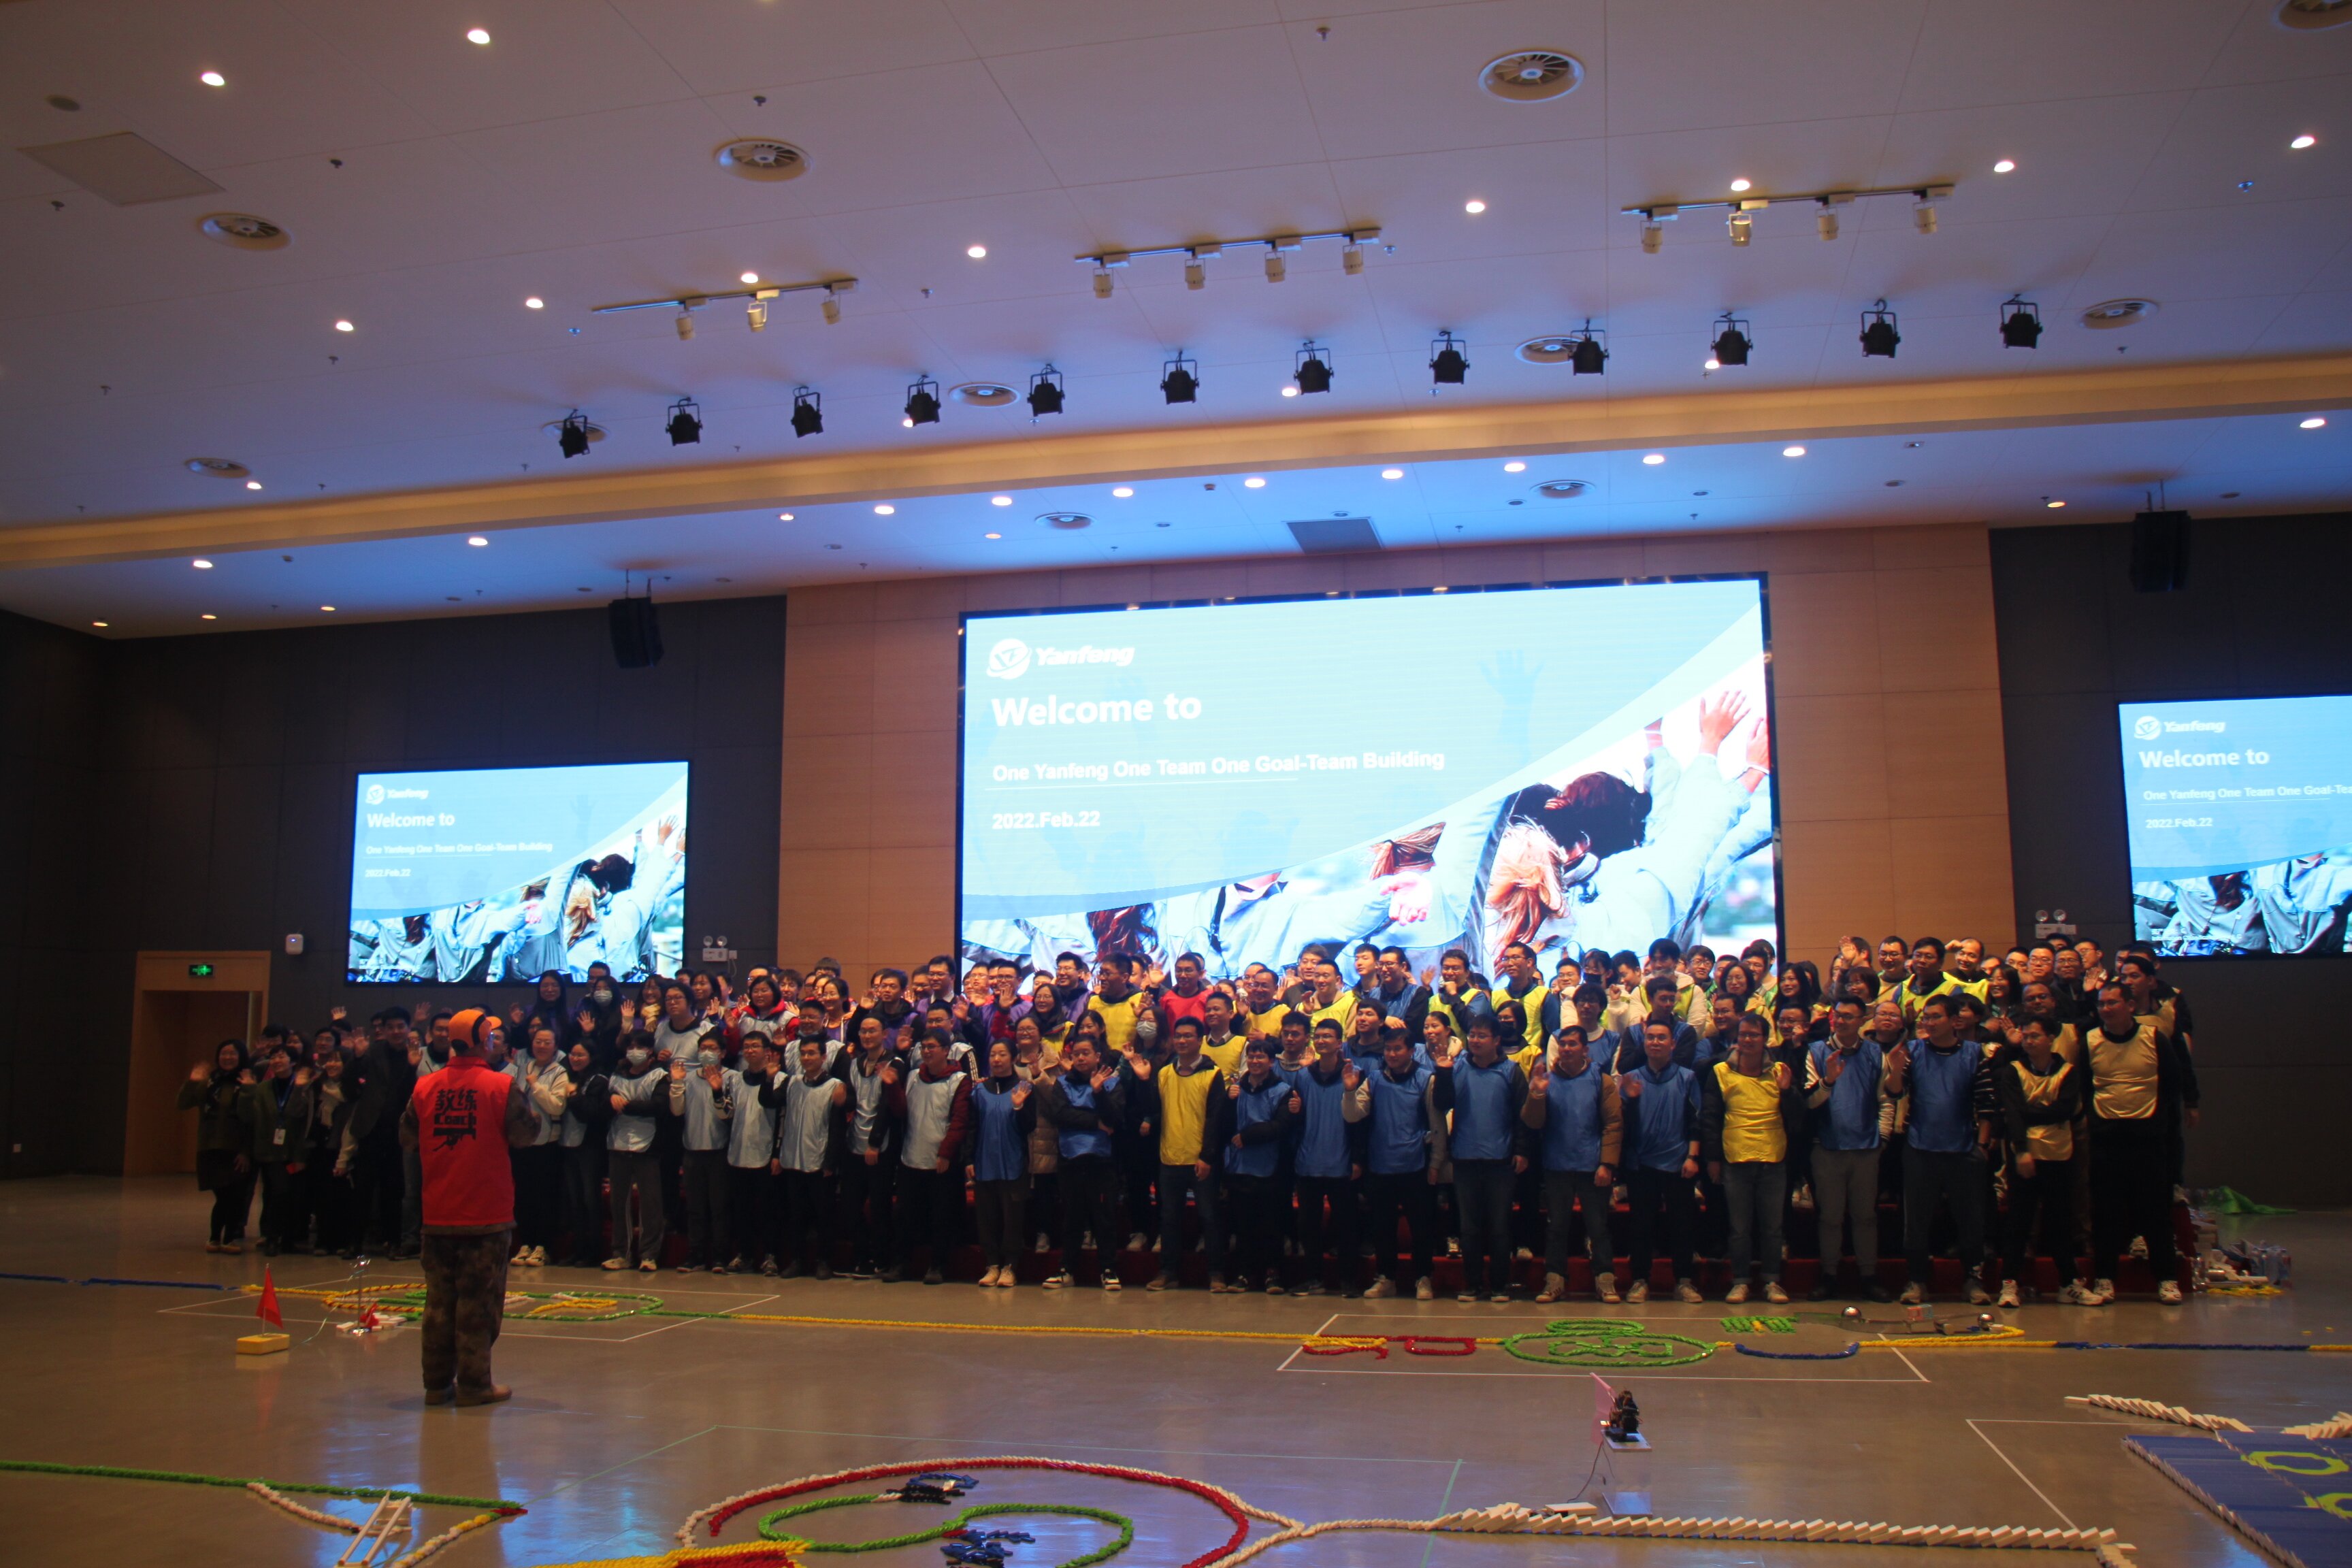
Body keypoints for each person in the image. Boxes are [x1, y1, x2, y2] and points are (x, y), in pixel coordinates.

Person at [398, 1008, 537, 1407]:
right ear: (484, 1041)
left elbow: (407, 1137)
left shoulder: (425, 1086)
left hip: (438, 1211)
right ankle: (475, 1385)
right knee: (479, 1303)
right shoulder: (501, 1085)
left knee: (439, 1302)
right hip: (485, 1214)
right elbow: (525, 1135)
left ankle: (435, 1384)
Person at [2084, 982, 2197, 1305]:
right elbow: (2083, 1086)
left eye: (2112, 1003)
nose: (2106, 1009)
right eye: (2101, 1004)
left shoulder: (2154, 1038)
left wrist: (2158, 1123)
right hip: (2106, 1140)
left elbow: (2172, 1083)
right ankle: (2105, 1279)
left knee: (2155, 1213)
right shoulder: (2090, 1040)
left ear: (2130, 1006)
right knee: (2106, 1214)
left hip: (2147, 1139)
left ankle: (2167, 1280)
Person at [1885, 996, 1993, 1306]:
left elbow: (1987, 1103)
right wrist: (1894, 1070)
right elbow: (1894, 1091)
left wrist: (1982, 1145)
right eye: (1926, 1017)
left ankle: (1973, 1280)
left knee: (1970, 1219)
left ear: (1954, 1020)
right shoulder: (1914, 1051)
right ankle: (1917, 1280)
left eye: (1935, 1017)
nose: (1928, 1023)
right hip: (1920, 1147)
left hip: (1963, 1148)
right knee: (1916, 1221)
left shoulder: (1974, 1053)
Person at [1702, 1013, 1802, 1305]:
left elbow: (1798, 1118)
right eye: (1743, 1034)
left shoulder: (1780, 1070)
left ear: (1765, 1039)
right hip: (1735, 1158)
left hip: (1773, 1158)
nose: (1747, 1040)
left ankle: (1772, 1281)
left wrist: (1787, 1092)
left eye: (1754, 1035)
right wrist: (1713, 1159)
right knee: (1739, 1228)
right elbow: (1710, 1117)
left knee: (1772, 1227)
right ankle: (1741, 1281)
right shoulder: (1720, 1071)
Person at [1521, 1023, 1622, 1305]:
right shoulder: (1547, 1080)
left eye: (1572, 1044)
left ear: (1585, 1049)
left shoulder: (1601, 1080)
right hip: (1557, 1166)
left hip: (1593, 1167)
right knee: (1556, 1227)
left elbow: (1613, 1124)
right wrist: (1536, 1095)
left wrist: (1607, 1164)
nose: (1566, 1049)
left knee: (1598, 1227)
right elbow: (1532, 1123)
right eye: (1563, 1044)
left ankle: (1605, 1280)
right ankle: (1554, 1280)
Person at [1995, 1016, 2091, 1307]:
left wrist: (2030, 1111)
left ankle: (2068, 1284)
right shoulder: (2013, 1071)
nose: (2029, 1041)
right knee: (2019, 1222)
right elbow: (2013, 1114)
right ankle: (2009, 1284)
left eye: (2035, 1036)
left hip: (2059, 1155)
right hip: (2024, 1156)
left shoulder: (2069, 1072)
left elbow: (2064, 1110)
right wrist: (2022, 1150)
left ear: (2050, 1038)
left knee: (2060, 1221)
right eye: (2025, 1036)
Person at [1435, 1010, 1529, 1303]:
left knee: (1499, 1227)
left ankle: (1500, 1285)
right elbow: (1442, 1104)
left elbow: (1523, 1116)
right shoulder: (1457, 1067)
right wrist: (1443, 1073)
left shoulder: (1511, 1071)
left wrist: (1521, 1151)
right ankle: (1472, 1284)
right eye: (1472, 1035)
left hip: (1500, 1162)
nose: (1475, 1040)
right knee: (1469, 1228)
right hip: (1465, 1160)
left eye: (1482, 1036)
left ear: (1496, 1040)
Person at [1805, 997, 1891, 1301]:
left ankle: (1869, 1276)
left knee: (1865, 1216)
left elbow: (1886, 1100)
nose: (1841, 1021)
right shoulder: (1817, 1051)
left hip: (1867, 1148)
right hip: (1828, 1148)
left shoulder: (1875, 1053)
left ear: (1862, 1020)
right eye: (1837, 1016)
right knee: (1830, 1217)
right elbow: (1809, 1102)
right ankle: (1829, 1276)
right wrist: (1828, 1080)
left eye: (1848, 1017)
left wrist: (1883, 1139)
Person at [1139, 1015, 1231, 1292]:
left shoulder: (1212, 1074)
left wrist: (1208, 1157)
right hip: (1169, 1157)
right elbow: (1155, 1110)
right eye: (1178, 1036)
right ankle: (1168, 1272)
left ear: (1200, 1040)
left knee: (1209, 1217)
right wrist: (1144, 1082)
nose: (1182, 1040)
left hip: (1201, 1160)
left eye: (1188, 1036)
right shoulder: (1164, 1073)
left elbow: (1216, 1119)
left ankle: (1216, 1273)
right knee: (1169, 1219)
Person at [1617, 1019, 1703, 1304]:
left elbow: (1696, 1122)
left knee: (1682, 1226)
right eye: (1650, 1037)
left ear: (1673, 1044)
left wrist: (1692, 1157)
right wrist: (1630, 1101)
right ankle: (1640, 1281)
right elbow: (1621, 1128)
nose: (1655, 1042)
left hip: (1679, 1163)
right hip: (1641, 1165)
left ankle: (1684, 1281)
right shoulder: (1631, 1078)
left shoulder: (1687, 1078)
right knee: (1640, 1226)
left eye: (1661, 1037)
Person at [1355, 1024, 1442, 1301]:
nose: (1392, 1054)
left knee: (1421, 1227)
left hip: (1416, 1166)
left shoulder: (1426, 1079)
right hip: (1381, 1166)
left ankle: (1423, 1277)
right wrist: (1348, 1092)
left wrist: (1436, 1163)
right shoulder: (1374, 1079)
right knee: (1383, 1228)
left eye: (1397, 1049)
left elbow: (1437, 1124)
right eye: (1388, 1049)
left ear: (1411, 1051)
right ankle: (1386, 1278)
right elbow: (1353, 1115)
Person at [1039, 1034, 1128, 1291]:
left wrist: (1098, 1093)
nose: (1080, 1058)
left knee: (1104, 1218)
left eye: (1086, 1053)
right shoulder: (1062, 1083)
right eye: (1076, 1053)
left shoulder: (1111, 1083)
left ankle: (1108, 1269)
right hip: (1071, 1160)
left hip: (1101, 1161)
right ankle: (1066, 1269)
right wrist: (1094, 1122)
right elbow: (1061, 1115)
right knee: (1072, 1218)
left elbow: (1114, 1119)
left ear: (1097, 1056)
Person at [1285, 1017, 1365, 1296]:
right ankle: (1313, 1279)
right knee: (1309, 1227)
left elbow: (1361, 1121)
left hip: (1342, 1164)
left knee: (1347, 1227)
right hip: (1309, 1163)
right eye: (1318, 1037)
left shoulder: (1354, 1074)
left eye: (1328, 1036)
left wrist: (1358, 1159)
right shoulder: (1303, 1076)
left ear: (1339, 1042)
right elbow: (1298, 1120)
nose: (1321, 1041)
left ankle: (1348, 1281)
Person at [892, 1028, 973, 1284]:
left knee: (942, 1217)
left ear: (946, 1051)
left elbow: (960, 1121)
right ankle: (901, 1264)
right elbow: (901, 1110)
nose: (926, 1052)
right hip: (911, 1156)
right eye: (923, 1047)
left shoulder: (959, 1080)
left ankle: (938, 1265)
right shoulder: (913, 1076)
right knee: (905, 1216)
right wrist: (891, 1087)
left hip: (942, 1161)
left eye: (932, 1047)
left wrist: (946, 1152)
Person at [1222, 1039, 1301, 1293]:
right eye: (1252, 1056)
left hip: (1271, 1170)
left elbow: (1281, 1126)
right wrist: (1228, 1101)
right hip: (1240, 1168)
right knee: (1242, 1225)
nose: (1255, 1061)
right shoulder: (1236, 1090)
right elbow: (1223, 1124)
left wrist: (1249, 1136)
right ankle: (1244, 1273)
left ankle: (1272, 1274)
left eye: (1261, 1057)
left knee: (1271, 1225)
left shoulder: (1283, 1091)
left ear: (1271, 1062)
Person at [772, 1032, 848, 1279]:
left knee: (823, 1216)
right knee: (796, 1216)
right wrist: (769, 1077)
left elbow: (837, 1128)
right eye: (803, 1053)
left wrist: (831, 1162)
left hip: (820, 1161)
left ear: (823, 1057)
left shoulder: (835, 1086)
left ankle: (824, 1261)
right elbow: (769, 1102)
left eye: (812, 1053)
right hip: (793, 1159)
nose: (806, 1058)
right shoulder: (792, 1082)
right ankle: (796, 1260)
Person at [180, 1041, 264, 1253]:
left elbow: (250, 1118)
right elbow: (182, 1103)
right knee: (223, 1195)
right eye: (224, 1053)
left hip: (237, 1149)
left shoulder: (248, 1081)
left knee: (235, 1196)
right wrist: (192, 1081)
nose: (228, 1058)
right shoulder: (209, 1082)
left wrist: (246, 1152)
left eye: (232, 1054)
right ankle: (216, 1237)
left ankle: (228, 1238)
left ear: (241, 1056)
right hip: (210, 1148)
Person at [969, 1041, 1037, 1288]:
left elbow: (1029, 1126)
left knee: (1012, 1218)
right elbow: (972, 1127)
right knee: (987, 1217)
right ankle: (992, 1264)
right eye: (993, 1054)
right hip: (984, 1163)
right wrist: (968, 1159)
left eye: (1002, 1054)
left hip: (1013, 1163)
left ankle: (1010, 1266)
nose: (996, 1059)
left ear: (1013, 1058)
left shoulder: (1025, 1088)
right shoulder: (979, 1091)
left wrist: (1019, 1106)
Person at [603, 1029, 668, 1271]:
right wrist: (610, 1101)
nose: (634, 1052)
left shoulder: (660, 1076)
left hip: (648, 1146)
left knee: (650, 1203)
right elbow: (603, 1104)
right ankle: (621, 1253)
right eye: (630, 1047)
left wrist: (627, 1105)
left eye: (639, 1047)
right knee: (618, 1202)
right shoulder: (616, 1076)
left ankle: (649, 1255)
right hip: (618, 1143)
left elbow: (659, 1106)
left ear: (650, 1051)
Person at [670, 1032, 734, 1273]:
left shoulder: (733, 1077)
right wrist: (677, 1083)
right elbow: (677, 1111)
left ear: (723, 1053)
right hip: (692, 1150)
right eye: (703, 1048)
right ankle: (695, 1255)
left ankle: (720, 1256)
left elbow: (728, 1115)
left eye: (712, 1048)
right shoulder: (687, 1078)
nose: (707, 1052)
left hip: (719, 1151)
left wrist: (717, 1090)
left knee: (719, 1207)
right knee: (695, 1208)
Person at [508, 1025, 568, 1266]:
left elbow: (557, 1106)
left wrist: (535, 1086)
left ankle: (543, 1246)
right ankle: (526, 1243)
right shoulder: (522, 1068)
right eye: (538, 1042)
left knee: (545, 1196)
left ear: (555, 1047)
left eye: (547, 1042)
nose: (541, 1046)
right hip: (522, 1142)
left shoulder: (560, 1072)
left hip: (546, 1143)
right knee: (523, 1195)